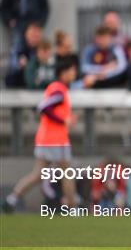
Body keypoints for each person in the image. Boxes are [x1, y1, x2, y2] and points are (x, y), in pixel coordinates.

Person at [2, 59, 78, 213]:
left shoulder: (55, 88)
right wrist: (64, 120)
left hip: (45, 139)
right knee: (67, 173)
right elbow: (44, 107)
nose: (74, 73)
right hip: (56, 140)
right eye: (71, 70)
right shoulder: (59, 90)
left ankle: (11, 199)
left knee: (38, 174)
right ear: (63, 73)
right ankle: (72, 208)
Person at [1, 0, 49, 86]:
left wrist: (40, 22)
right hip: (18, 24)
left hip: (34, 23)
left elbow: (45, 7)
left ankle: (35, 76)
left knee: (35, 50)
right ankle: (15, 78)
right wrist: (9, 20)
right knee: (16, 50)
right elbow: (4, 7)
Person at [5, 22, 42, 87]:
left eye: (37, 36)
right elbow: (12, 66)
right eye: (33, 35)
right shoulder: (18, 49)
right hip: (20, 82)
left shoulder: (42, 49)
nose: (35, 38)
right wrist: (20, 65)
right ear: (26, 35)